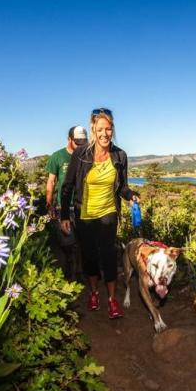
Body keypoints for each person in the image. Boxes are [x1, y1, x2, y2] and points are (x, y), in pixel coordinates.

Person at [60, 108, 140, 319]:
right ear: (93, 130)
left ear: (112, 130)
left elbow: (122, 187)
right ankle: (94, 293)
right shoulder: (81, 154)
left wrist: (131, 195)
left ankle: (112, 300)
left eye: (109, 129)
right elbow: (67, 186)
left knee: (108, 256)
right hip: (84, 215)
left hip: (108, 213)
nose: (105, 133)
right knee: (90, 257)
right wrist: (65, 216)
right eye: (101, 129)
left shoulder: (120, 155)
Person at [45, 125, 87, 280]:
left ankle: (80, 272)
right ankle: (68, 271)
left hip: (82, 206)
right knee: (67, 242)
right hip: (64, 207)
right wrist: (49, 204)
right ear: (69, 139)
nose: (80, 145)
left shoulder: (86, 155)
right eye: (77, 142)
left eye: (83, 141)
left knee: (83, 242)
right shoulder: (58, 156)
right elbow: (51, 181)